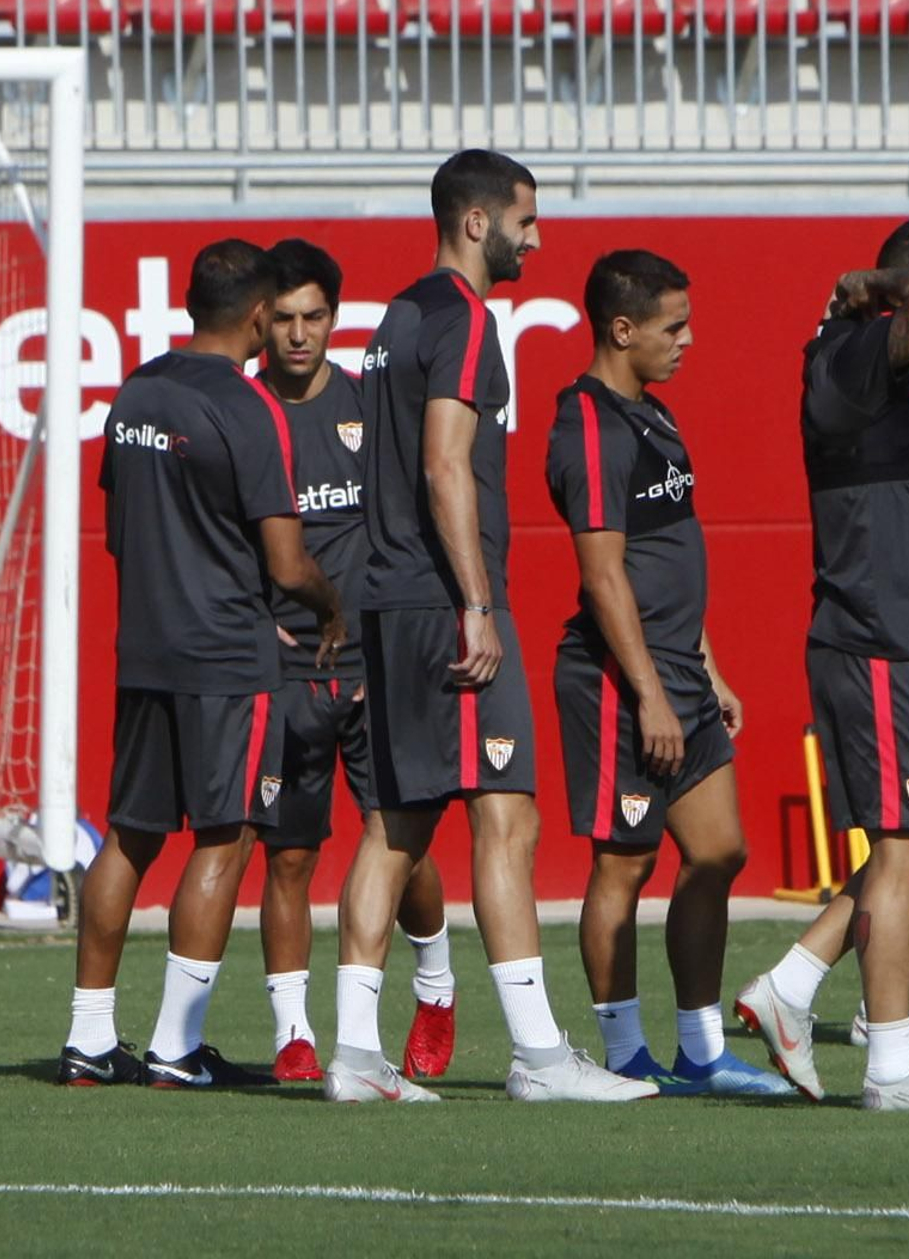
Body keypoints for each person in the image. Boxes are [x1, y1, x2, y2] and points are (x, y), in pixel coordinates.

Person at [327, 150, 657, 1103]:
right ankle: (541, 1058)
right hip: (443, 605)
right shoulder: (465, 319)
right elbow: (443, 466)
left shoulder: (398, 315)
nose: (538, 237)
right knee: (506, 818)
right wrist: (476, 602)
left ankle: (354, 1053)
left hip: (393, 601)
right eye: (527, 218)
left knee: (395, 823)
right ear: (479, 223)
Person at [59, 239, 344, 1088]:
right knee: (227, 835)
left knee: (131, 835)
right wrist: (331, 608)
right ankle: (176, 1047)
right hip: (226, 657)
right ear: (259, 316)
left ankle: (87, 1039)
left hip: (145, 649)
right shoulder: (251, 410)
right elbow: (290, 565)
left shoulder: (134, 393)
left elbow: (116, 533)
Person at [733, 217, 909, 1111]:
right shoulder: (848, 352)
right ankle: (890, 1065)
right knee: (901, 847)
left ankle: (795, 983)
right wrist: (875, 281)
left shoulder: (867, 354)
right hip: (877, 638)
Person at [546, 250, 794, 1098]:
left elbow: (669, 559)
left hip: (679, 673)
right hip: (621, 682)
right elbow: (604, 575)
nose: (688, 341)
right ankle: (624, 1055)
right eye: (672, 326)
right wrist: (650, 691)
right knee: (624, 864)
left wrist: (707, 667)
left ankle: (701, 1050)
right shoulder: (584, 424)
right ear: (622, 329)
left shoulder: (655, 416)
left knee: (720, 851)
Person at [256, 238, 457, 1084]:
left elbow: (407, 522)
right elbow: (229, 542)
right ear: (261, 321)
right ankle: (293, 1034)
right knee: (290, 856)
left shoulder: (370, 407)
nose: (299, 335)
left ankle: (438, 983)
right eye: (285, 320)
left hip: (377, 660)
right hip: (287, 668)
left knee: (403, 844)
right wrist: (256, 625)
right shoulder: (246, 412)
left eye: (314, 318)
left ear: (334, 319)